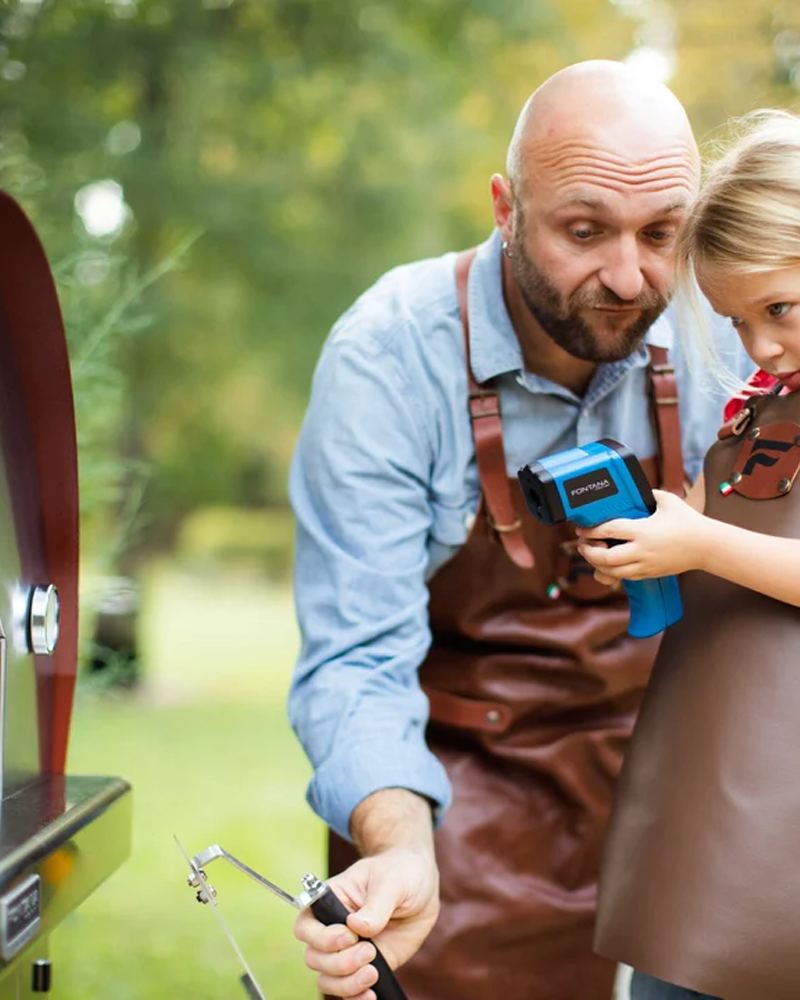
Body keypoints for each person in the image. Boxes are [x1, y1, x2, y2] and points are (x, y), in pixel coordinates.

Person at [286, 59, 753, 1000]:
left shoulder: (734, 325)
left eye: (662, 233)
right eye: (584, 231)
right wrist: (399, 844)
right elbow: (358, 658)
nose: (629, 277)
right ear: (506, 209)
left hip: (688, 770)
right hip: (463, 787)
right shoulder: (388, 356)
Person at [583, 109, 800, 1000]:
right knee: (679, 966)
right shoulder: (763, 403)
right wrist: (658, 543)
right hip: (712, 775)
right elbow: (721, 537)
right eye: (736, 322)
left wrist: (703, 540)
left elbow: (725, 544)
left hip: (781, 797)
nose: (761, 346)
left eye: (780, 309)